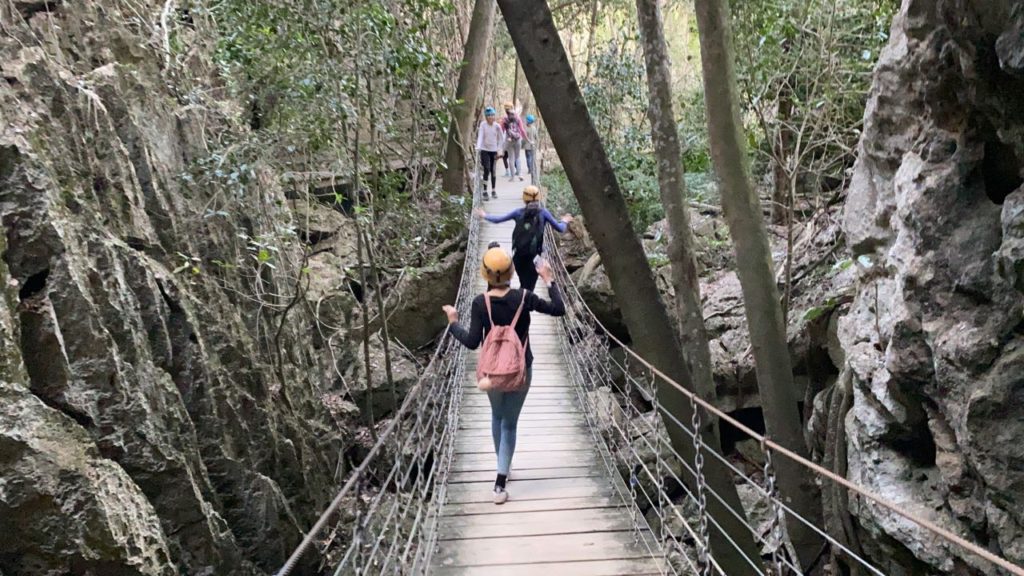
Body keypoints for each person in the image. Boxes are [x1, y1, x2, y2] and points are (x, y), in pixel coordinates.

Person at [442, 243, 565, 504]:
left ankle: (503, 470)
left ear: (484, 275)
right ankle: (500, 481)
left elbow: (472, 341)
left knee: (498, 418)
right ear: (511, 272)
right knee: (510, 422)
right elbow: (558, 309)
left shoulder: (480, 302)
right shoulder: (524, 297)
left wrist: (453, 322)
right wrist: (548, 279)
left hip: (492, 373)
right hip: (521, 370)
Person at [475, 185, 573, 291]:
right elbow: (560, 228)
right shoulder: (543, 213)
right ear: (538, 197)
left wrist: (484, 215)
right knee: (530, 289)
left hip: (518, 256)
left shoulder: (518, 213)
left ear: (524, 198)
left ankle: (520, 301)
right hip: (535, 257)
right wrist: (565, 221)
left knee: (523, 282)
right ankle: (525, 303)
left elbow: (498, 219)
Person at [475, 107, 503, 199]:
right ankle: (485, 191)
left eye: (492, 115)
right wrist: (478, 147)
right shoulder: (483, 125)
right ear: (486, 117)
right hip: (484, 150)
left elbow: (501, 139)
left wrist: (499, 149)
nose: (490, 117)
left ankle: (493, 190)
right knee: (486, 169)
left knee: (493, 170)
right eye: (488, 116)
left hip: (494, 151)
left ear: (494, 116)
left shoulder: (497, 126)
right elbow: (480, 136)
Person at [501, 102, 526, 182]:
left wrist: (500, 143)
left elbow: (501, 131)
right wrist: (527, 139)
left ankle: (512, 177)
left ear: (505, 109)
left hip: (509, 141)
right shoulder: (517, 117)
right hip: (518, 139)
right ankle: (520, 174)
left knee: (511, 159)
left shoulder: (504, 119)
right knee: (517, 157)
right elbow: (522, 130)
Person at [523, 114, 539, 185]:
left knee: (528, 158)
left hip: (527, 146)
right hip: (533, 146)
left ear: (528, 121)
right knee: (532, 158)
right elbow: (536, 137)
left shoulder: (525, 129)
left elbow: (524, 138)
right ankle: (531, 168)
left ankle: (530, 168)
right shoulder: (534, 128)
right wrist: (536, 144)